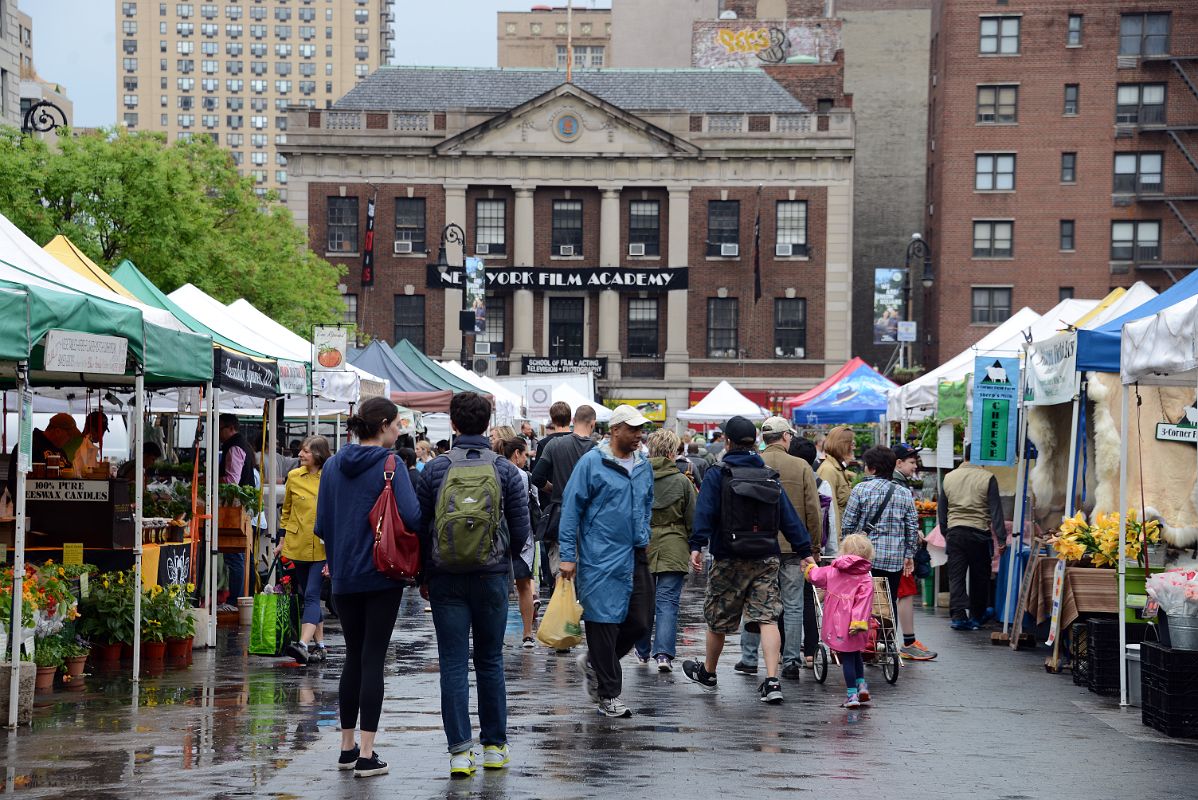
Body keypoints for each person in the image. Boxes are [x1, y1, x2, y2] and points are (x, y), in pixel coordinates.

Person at [417, 392, 530, 777]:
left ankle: (460, 752)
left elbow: (420, 527)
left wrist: (424, 574)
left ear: (453, 423)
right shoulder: (505, 470)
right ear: (488, 424)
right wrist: (503, 562)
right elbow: (521, 530)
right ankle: (495, 746)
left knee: (452, 662)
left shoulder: (433, 470)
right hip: (491, 575)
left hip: (446, 577)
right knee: (490, 659)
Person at [315, 397, 421, 778]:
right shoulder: (392, 465)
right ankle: (367, 753)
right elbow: (411, 516)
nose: (398, 432)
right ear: (384, 425)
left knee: (353, 658)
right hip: (381, 576)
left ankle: (346, 748)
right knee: (374, 658)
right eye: (396, 426)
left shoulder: (330, 466)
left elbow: (322, 525)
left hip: (342, 577)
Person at [682, 416, 814, 705]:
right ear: (754, 441)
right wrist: (805, 551)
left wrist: (696, 545)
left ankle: (709, 672)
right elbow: (788, 518)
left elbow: (705, 512)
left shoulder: (719, 473)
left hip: (729, 556)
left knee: (717, 617)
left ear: (727, 441)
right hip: (766, 556)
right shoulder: (768, 474)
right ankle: (771, 680)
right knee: (767, 617)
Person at [558, 404, 653, 719]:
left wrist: (645, 533)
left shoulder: (643, 465)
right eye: (633, 429)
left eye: (641, 430)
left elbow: (647, 502)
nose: (639, 435)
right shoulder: (591, 463)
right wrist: (568, 556)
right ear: (615, 430)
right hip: (600, 557)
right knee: (603, 624)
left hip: (635, 553)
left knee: (640, 622)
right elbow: (571, 510)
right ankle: (608, 694)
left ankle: (597, 662)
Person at [738, 417, 822, 681]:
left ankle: (749, 658)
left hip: (758, 545)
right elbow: (812, 510)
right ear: (786, 437)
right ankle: (790, 662)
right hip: (793, 548)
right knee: (793, 604)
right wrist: (814, 547)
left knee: (754, 603)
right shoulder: (801, 466)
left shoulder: (753, 462)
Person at [839, 446, 918, 648]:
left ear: (871, 468)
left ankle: (865, 643)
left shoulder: (861, 490)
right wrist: (909, 554)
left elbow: (848, 524)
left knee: (862, 600)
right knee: (888, 602)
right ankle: (887, 642)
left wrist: (847, 549)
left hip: (864, 558)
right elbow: (911, 526)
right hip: (893, 560)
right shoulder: (903, 493)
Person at [634, 429, 696, 672]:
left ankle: (642, 650)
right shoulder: (682, 481)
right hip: (674, 544)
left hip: (643, 545)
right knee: (667, 602)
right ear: (672, 453)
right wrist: (694, 547)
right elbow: (693, 519)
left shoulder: (637, 478)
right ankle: (663, 655)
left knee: (643, 601)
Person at [804, 534, 877, 708]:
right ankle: (862, 685)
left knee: (847, 658)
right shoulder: (865, 577)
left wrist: (809, 568)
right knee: (856, 653)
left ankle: (852, 695)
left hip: (838, 622)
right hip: (857, 624)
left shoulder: (832, 570)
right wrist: (858, 622)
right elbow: (864, 600)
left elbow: (815, 576)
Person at [938, 444, 1006, 631]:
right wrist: (1001, 539)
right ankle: (977, 615)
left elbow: (942, 510)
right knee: (980, 576)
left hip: (955, 532)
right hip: (978, 533)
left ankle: (959, 616)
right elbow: (996, 511)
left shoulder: (949, 477)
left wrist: (946, 532)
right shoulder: (988, 478)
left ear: (965, 456)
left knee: (956, 576)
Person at [277, 436, 332, 665]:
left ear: (318, 455)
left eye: (305, 451)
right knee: (305, 594)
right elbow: (287, 511)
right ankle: (319, 646)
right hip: (297, 545)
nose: (300, 455)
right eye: (301, 451)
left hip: (322, 547)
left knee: (311, 595)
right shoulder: (293, 477)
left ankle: (302, 644)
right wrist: (281, 541)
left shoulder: (329, 478)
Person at [531, 404, 597, 581]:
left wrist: (552, 488)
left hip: (560, 515)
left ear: (574, 421)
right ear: (593, 424)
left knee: (562, 578)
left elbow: (536, 477)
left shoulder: (554, 444)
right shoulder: (598, 450)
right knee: (588, 577)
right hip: (590, 519)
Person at [892, 443, 937, 661]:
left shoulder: (896, 483)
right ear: (898, 463)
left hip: (890, 550)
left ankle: (887, 641)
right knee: (904, 593)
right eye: (911, 462)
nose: (914, 466)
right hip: (897, 551)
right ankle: (907, 642)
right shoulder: (897, 485)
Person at [502, 436, 541, 648]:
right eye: (525, 454)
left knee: (500, 587)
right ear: (516, 454)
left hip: (499, 536)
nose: (526, 458)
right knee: (524, 585)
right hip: (523, 536)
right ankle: (527, 634)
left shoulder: (495, 470)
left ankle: (496, 632)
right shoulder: (525, 476)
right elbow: (533, 501)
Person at [218, 413, 256, 612]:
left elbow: (231, 481)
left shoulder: (234, 446)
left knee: (235, 554)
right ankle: (243, 598)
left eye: (220, 428)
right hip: (243, 506)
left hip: (235, 508)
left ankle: (235, 601)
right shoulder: (243, 444)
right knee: (242, 554)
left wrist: (212, 480)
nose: (218, 433)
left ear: (230, 428)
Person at [817, 426, 855, 548]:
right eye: (851, 443)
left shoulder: (836, 468)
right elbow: (829, 512)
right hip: (834, 543)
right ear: (843, 445)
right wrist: (836, 546)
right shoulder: (829, 470)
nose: (854, 447)